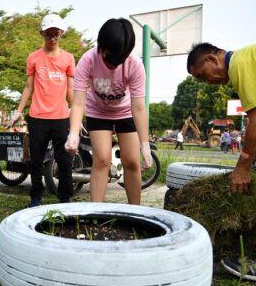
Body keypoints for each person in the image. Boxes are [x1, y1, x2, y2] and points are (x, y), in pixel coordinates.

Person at [187, 40, 256, 284]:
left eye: (203, 75)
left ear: (213, 59)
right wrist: (252, 157)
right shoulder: (253, 61)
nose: (208, 82)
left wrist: (243, 167)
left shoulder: (240, 63)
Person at [65, 18, 152, 205]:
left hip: (126, 111)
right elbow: (78, 102)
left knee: (131, 161)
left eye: (118, 60)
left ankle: (135, 212)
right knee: (102, 160)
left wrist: (145, 144)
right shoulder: (88, 60)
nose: (112, 64)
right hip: (98, 111)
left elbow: (138, 107)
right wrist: (73, 133)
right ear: (101, 47)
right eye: (108, 57)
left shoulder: (135, 65)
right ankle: (95, 212)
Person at [9, 13, 75, 207]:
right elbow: (28, 87)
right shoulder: (34, 58)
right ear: (41, 34)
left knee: (64, 160)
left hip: (61, 116)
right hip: (37, 117)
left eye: (56, 34)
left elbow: (71, 89)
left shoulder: (68, 59)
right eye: (48, 34)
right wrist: (18, 111)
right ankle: (35, 197)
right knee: (36, 160)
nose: (52, 38)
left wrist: (76, 118)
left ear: (61, 33)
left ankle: (64, 198)